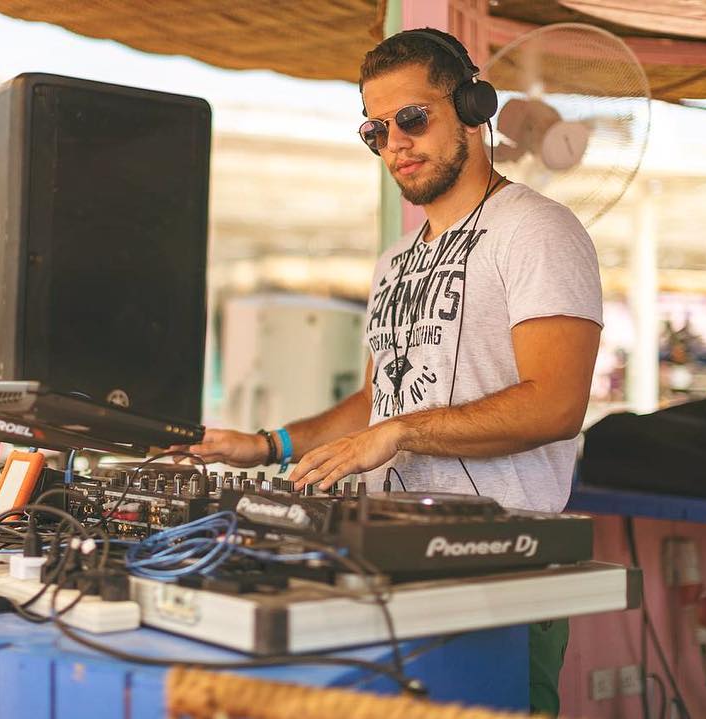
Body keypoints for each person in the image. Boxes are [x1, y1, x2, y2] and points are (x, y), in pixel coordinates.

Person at [184, 28, 602, 716]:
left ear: (472, 108)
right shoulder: (394, 261)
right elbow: (376, 405)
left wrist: (402, 431)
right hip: (392, 565)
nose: (395, 144)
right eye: (375, 131)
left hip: (502, 571)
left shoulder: (537, 231)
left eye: (412, 118)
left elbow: (557, 404)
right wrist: (265, 445)